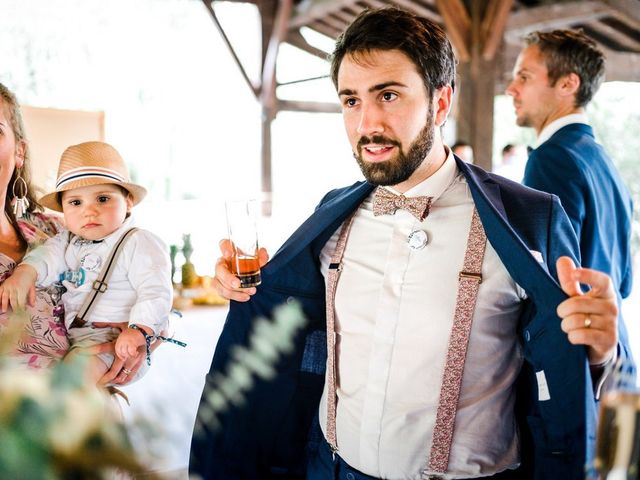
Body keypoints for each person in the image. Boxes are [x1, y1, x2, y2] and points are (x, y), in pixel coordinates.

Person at [190, 8, 629, 480]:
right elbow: (288, 319)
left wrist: (603, 350)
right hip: (329, 468)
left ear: (441, 104)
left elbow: (569, 359)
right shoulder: (330, 214)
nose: (367, 124)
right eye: (351, 101)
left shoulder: (530, 219)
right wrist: (245, 286)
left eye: (389, 95)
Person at [0, 83, 147, 384]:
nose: (89, 209)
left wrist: (149, 331)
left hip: (90, 413)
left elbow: (142, 279)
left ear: (19, 152)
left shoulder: (58, 229)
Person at [506, 29, 634, 371]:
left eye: (524, 76)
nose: (511, 89)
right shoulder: (601, 161)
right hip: (616, 352)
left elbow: (543, 285)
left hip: (576, 359)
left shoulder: (551, 159)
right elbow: (623, 281)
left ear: (567, 84)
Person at [0, 140, 175, 384]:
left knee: (71, 380)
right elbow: (46, 257)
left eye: (102, 199)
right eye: (75, 202)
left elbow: (155, 291)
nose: (89, 211)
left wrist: (140, 329)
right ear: (63, 208)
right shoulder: (67, 240)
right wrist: (25, 273)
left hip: (116, 337)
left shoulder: (139, 242)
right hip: (80, 336)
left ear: (128, 202)